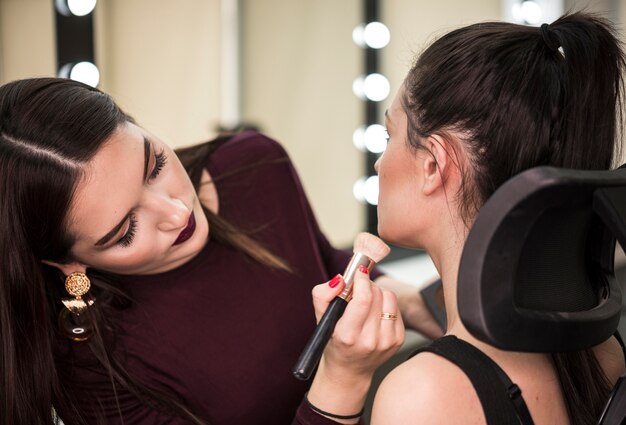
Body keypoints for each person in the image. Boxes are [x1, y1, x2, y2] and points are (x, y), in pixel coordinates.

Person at [0, 77, 443, 425]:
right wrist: (343, 379)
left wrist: (432, 307)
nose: (176, 211)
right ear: (64, 262)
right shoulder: (87, 364)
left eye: (154, 165)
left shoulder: (254, 165)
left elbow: (320, 263)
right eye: (126, 230)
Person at [344, 11, 626, 425]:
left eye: (389, 137)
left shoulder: (425, 396)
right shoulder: (601, 349)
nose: (380, 162)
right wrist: (415, 301)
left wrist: (340, 379)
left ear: (433, 166)